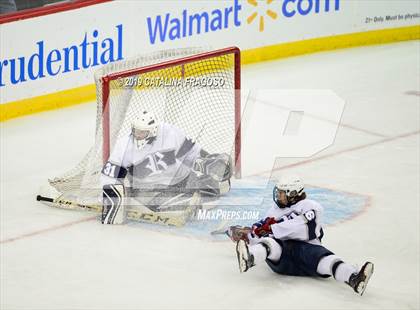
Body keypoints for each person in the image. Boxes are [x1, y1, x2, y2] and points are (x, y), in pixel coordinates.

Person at [234, 175, 374, 295]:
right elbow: (260, 231)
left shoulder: (310, 206)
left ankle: (354, 279)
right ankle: (250, 258)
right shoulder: (274, 210)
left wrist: (272, 228)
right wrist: (249, 235)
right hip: (281, 258)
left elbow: (303, 229)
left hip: (306, 250)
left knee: (328, 260)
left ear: (293, 193)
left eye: (282, 192)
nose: (278, 195)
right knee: (269, 243)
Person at [100, 110, 232, 224]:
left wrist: (207, 162)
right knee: (165, 206)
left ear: (153, 131)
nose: (137, 135)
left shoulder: (170, 133)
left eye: (142, 132)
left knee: (210, 195)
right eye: (136, 131)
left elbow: (190, 151)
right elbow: (110, 173)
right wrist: (110, 192)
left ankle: (211, 183)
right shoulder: (124, 145)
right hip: (147, 188)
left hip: (180, 178)